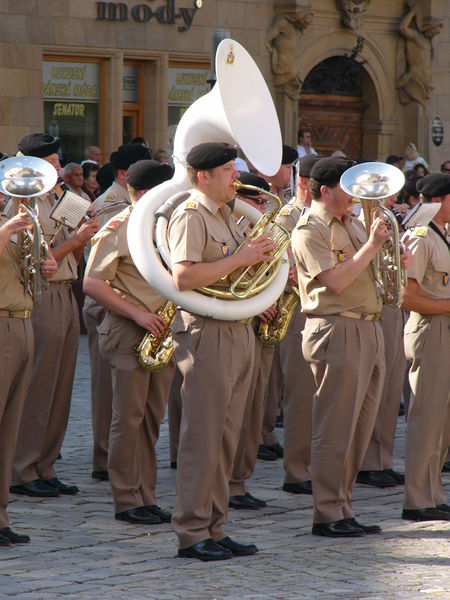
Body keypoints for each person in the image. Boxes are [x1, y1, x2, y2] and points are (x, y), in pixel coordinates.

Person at [291, 156, 412, 537]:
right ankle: (327, 512)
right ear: (325, 191)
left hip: (369, 326)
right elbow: (337, 282)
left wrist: (399, 259)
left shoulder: (354, 222)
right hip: (336, 328)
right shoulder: (309, 230)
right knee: (335, 426)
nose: (356, 195)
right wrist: (374, 246)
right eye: (348, 188)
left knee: (360, 428)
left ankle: (343, 505)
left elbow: (374, 274)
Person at [168, 142, 276, 561]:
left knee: (227, 437)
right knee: (203, 438)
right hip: (207, 333)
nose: (236, 177)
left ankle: (215, 526)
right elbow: (183, 276)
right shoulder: (191, 215)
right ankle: (191, 532)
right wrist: (241, 257)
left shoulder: (227, 216)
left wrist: (257, 258)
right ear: (203, 177)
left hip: (237, 329)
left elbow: (232, 269)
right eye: (229, 170)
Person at [83, 159, 175, 524]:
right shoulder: (119, 226)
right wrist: (137, 314)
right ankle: (126, 499)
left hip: (160, 331)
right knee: (128, 417)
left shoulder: (163, 226)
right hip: (128, 330)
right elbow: (92, 284)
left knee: (151, 418)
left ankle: (145, 493)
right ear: (149, 193)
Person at [10, 133, 99, 498]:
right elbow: (41, 261)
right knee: (39, 384)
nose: (60, 167)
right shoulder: (21, 201)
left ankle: (45, 464)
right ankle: (22, 467)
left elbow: (68, 256)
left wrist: (83, 235)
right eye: (54, 161)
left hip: (65, 294)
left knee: (61, 385)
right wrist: (76, 241)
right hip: (42, 297)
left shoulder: (57, 197)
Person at [84, 143, 151, 481]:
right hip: (109, 306)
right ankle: (105, 458)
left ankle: (131, 470)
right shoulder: (112, 208)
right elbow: (102, 273)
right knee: (110, 393)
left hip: (140, 309)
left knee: (138, 405)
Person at [0, 209, 57, 546]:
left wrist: (47, 265)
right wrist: (6, 230)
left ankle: (1, 515)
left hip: (23, 320)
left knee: (9, 430)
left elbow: (36, 267)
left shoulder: (13, 220)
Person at [400, 173, 450, 522]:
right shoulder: (420, 237)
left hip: (443, 327)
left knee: (443, 419)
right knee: (427, 416)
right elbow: (408, 296)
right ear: (439, 200)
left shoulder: (442, 234)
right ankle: (416, 498)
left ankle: (433, 493)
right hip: (430, 330)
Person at [228, 172, 276, 510]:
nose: (261, 207)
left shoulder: (252, 230)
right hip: (234, 324)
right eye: (256, 201)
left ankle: (240, 480)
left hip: (255, 328)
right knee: (232, 413)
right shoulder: (227, 228)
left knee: (254, 408)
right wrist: (253, 302)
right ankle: (227, 483)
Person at [276, 154, 320, 495]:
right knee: (301, 395)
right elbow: (279, 266)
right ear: (305, 182)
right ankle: (296, 470)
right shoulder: (288, 215)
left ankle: (314, 464)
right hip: (296, 312)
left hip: (320, 309)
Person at [258, 144, 298, 459]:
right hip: (264, 295)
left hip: (275, 297)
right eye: (288, 168)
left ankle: (266, 432)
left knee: (270, 377)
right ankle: (260, 433)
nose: (290, 174)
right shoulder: (271, 204)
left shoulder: (281, 202)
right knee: (264, 377)